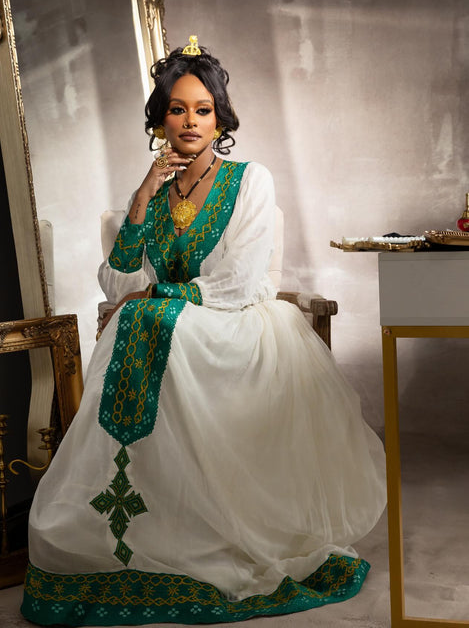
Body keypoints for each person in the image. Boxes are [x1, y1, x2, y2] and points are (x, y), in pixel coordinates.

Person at [21, 36, 386, 626]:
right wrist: (141, 200)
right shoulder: (151, 196)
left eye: (203, 109)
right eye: (177, 109)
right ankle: (144, 530)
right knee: (138, 318)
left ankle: (216, 533)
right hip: (172, 329)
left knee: (144, 317)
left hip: (236, 326)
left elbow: (240, 280)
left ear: (220, 120)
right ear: (160, 121)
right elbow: (117, 285)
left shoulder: (250, 180)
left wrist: (161, 296)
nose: (190, 121)